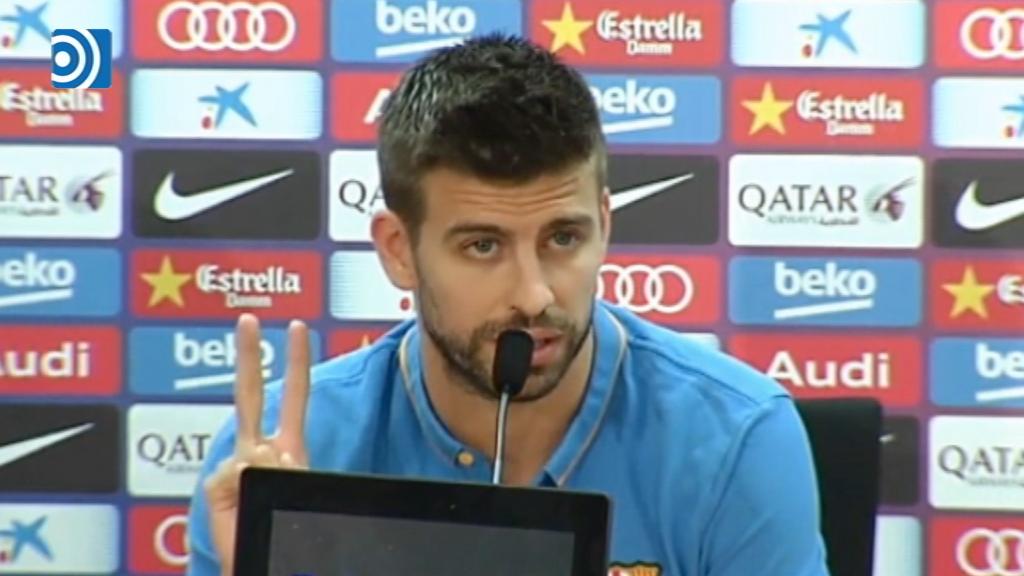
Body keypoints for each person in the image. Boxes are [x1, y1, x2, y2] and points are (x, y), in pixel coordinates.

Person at [186, 33, 829, 576]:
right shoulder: (281, 462)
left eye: (563, 238)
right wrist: (275, 553)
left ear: (605, 226)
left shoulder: (734, 439)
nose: (534, 294)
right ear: (399, 250)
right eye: (483, 246)